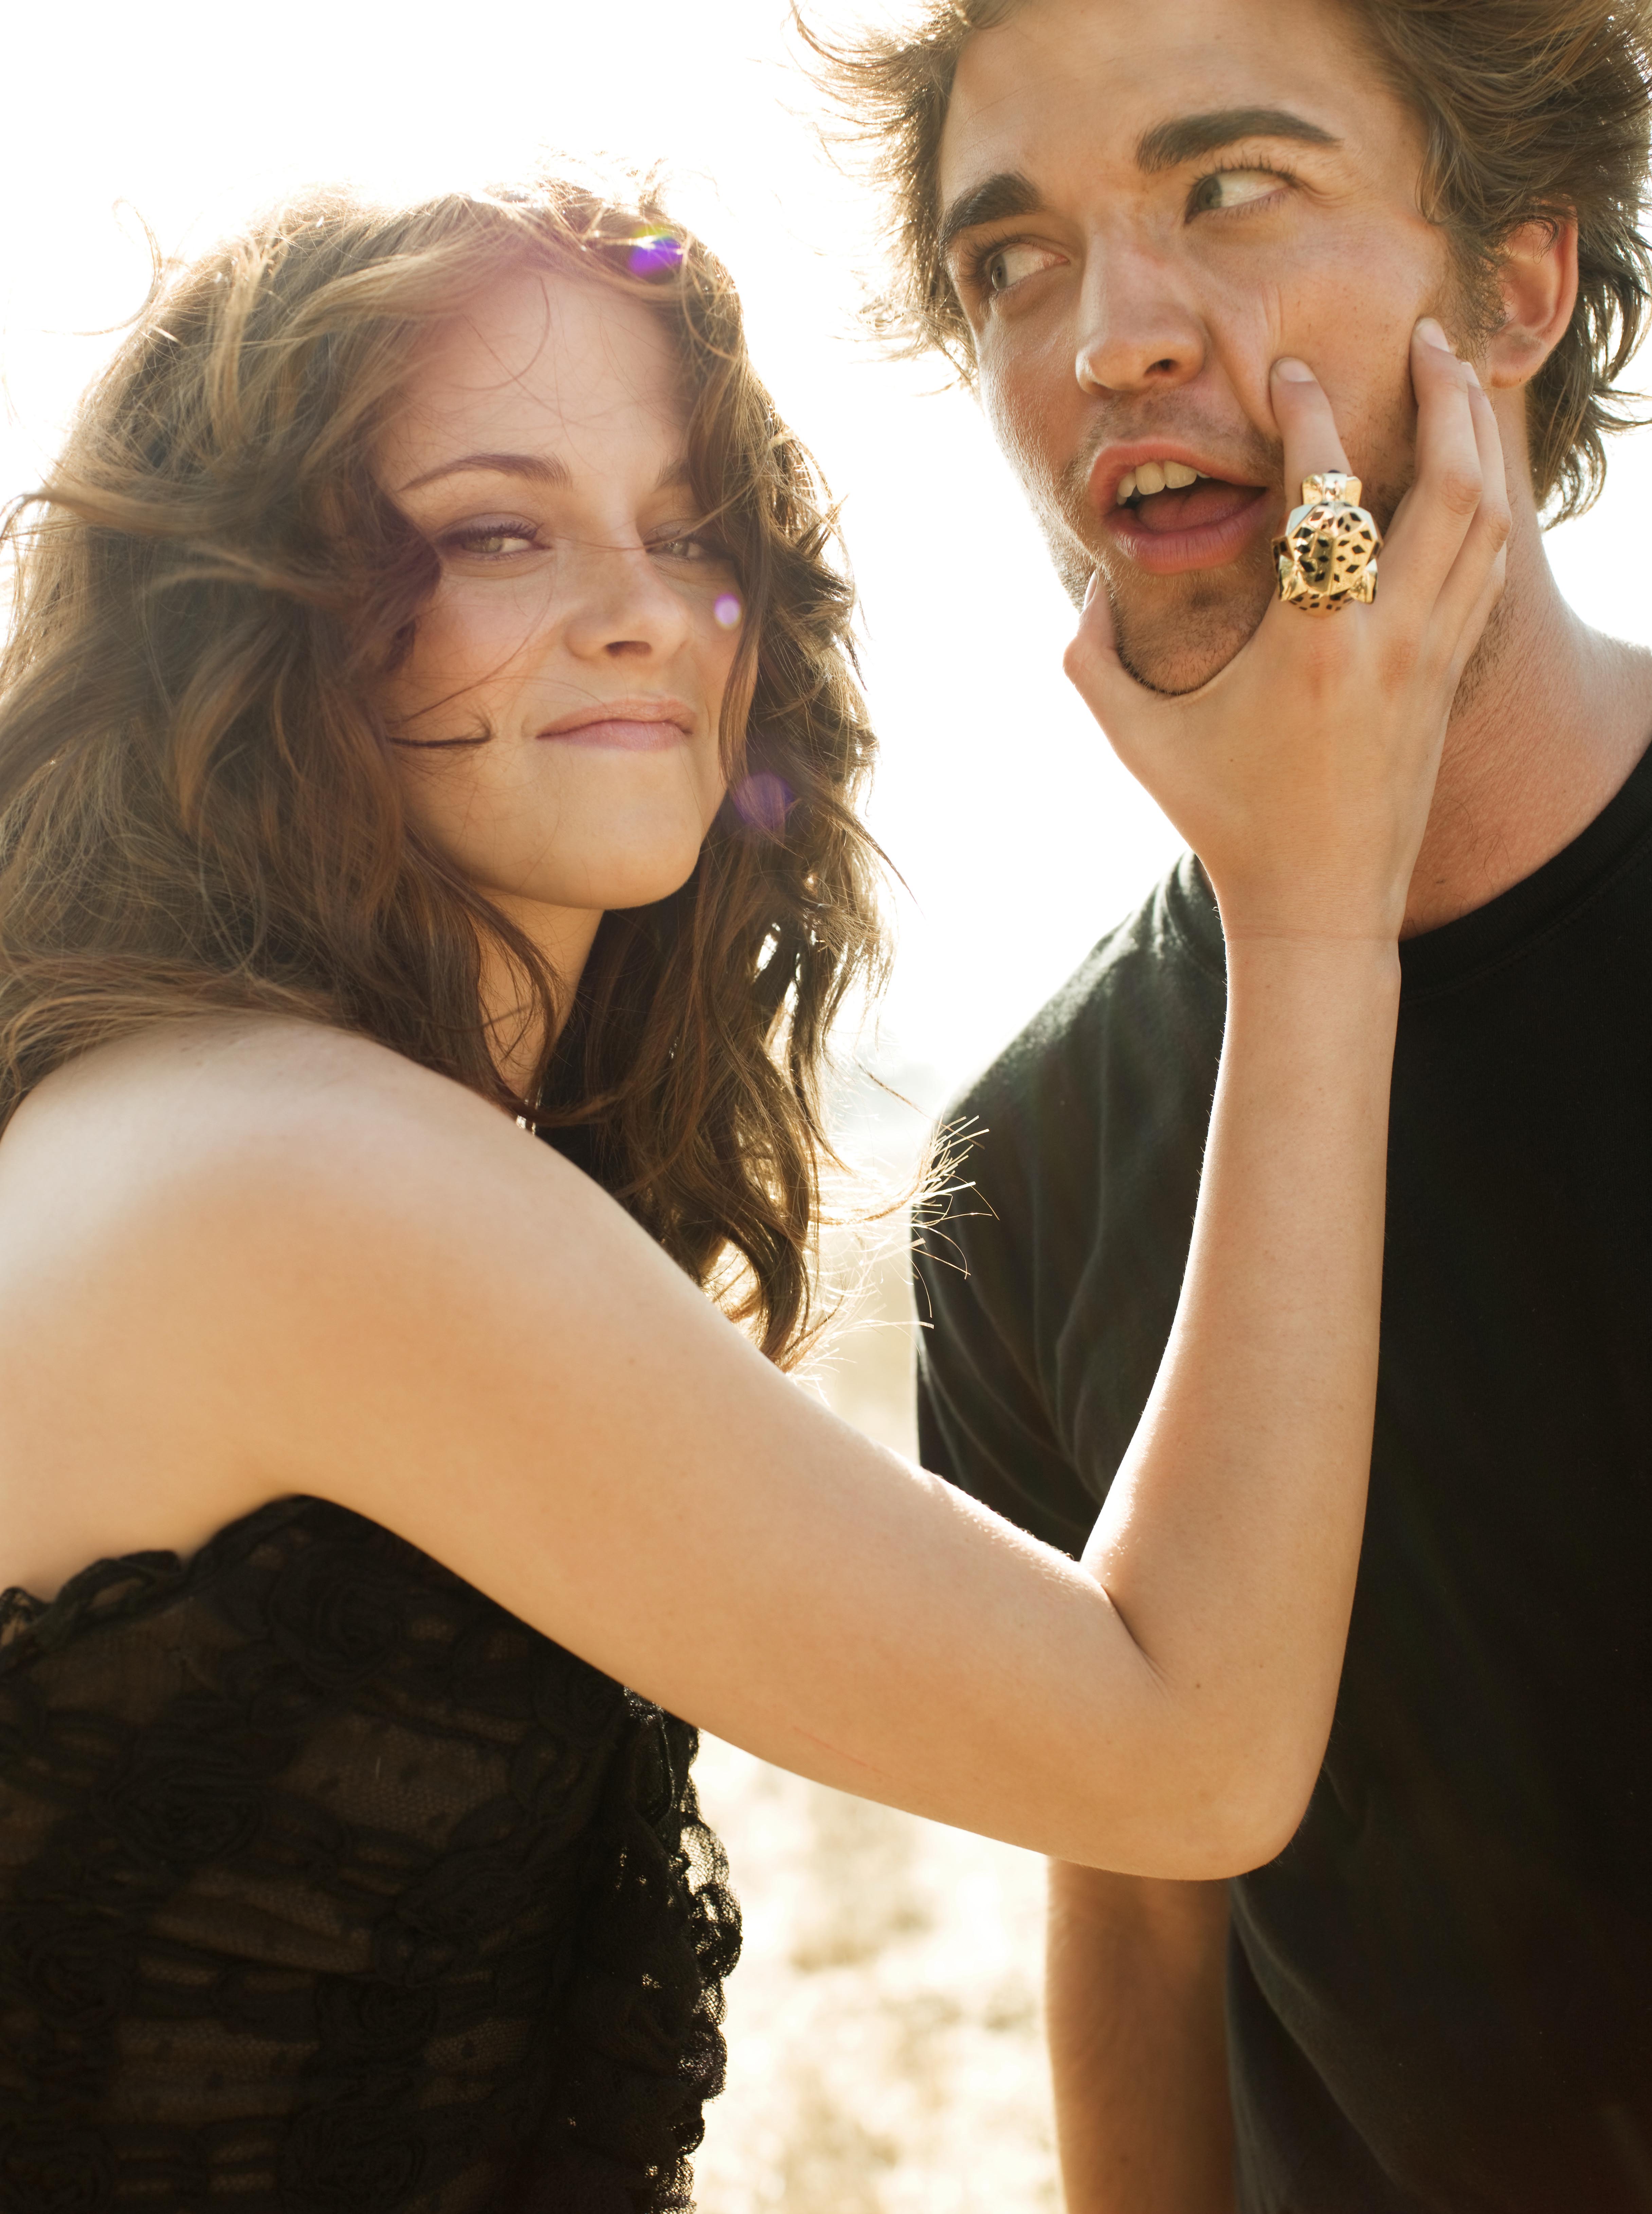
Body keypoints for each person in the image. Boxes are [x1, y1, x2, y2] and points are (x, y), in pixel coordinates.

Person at [0, 170, 1501, 2214]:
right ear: (242, 611)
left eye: (690, 525)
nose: (642, 605)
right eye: (496, 530)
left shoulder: (219, 1118)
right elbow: (1189, 1754)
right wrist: (1316, 888)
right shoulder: (290, 1172)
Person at [815, 0, 1652, 2205]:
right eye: (1009, 259)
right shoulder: (1027, 1167)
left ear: (1515, 280)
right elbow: (1135, 1931)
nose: (1112, 339)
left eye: (1231, 188)